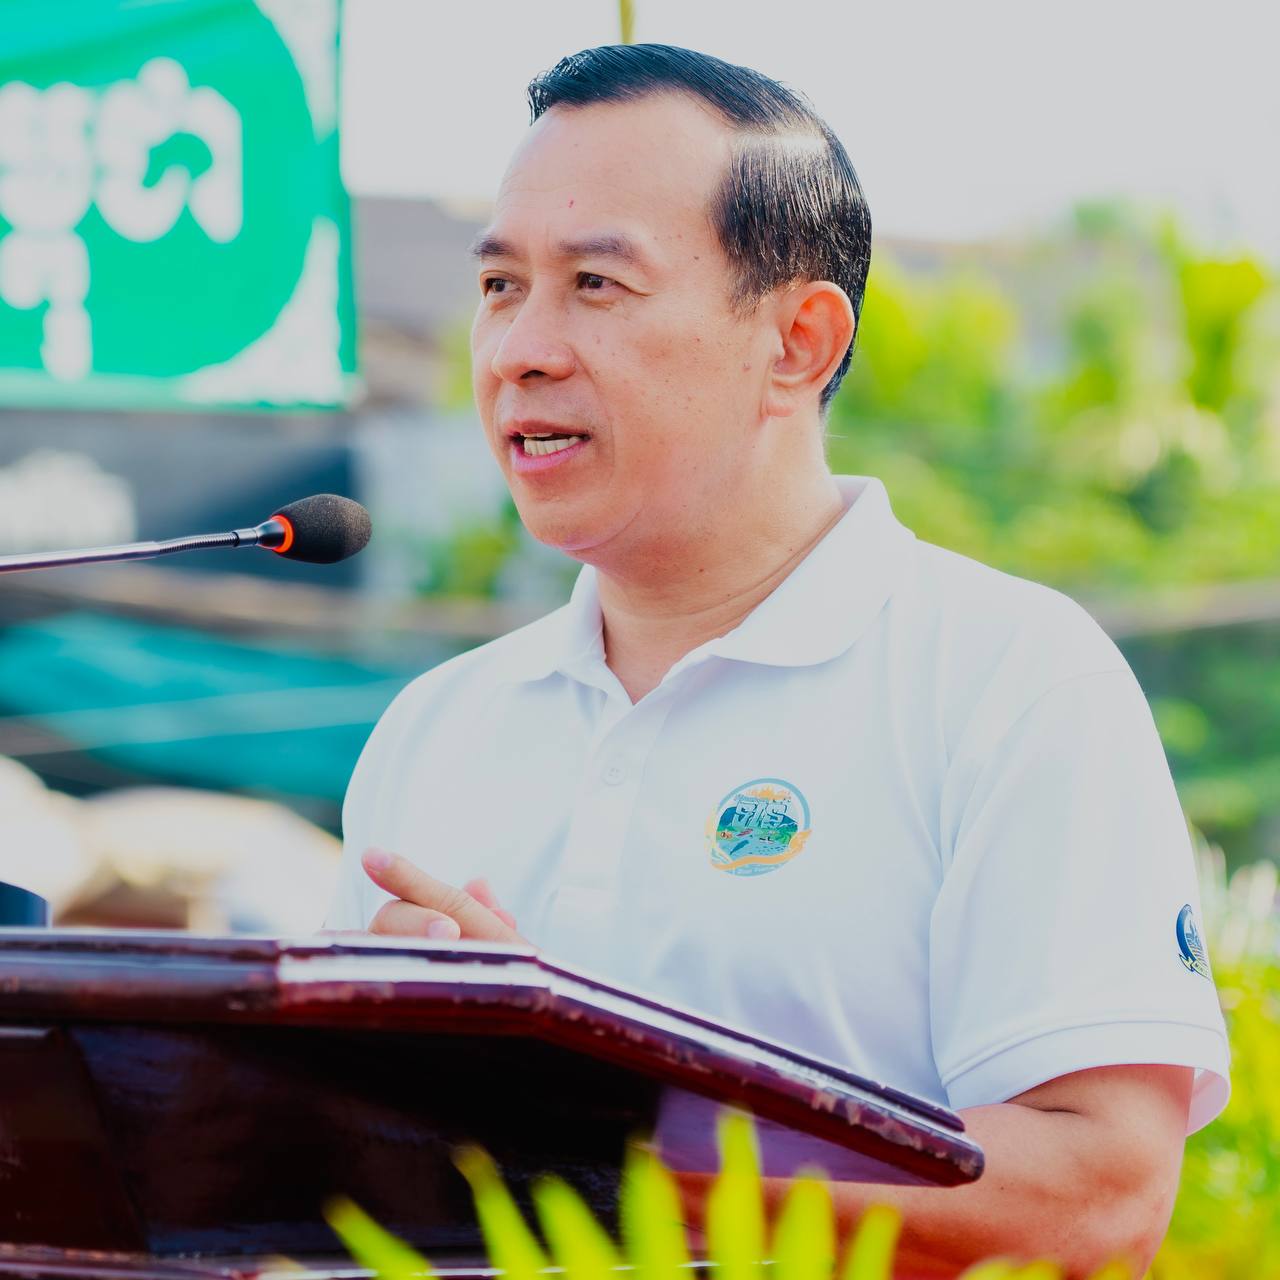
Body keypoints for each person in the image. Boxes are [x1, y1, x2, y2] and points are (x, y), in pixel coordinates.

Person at [323, 44, 1230, 1277]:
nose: (518, 348)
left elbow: (1094, 1199)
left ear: (797, 340)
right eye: (498, 284)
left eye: (595, 284)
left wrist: (593, 1137)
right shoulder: (436, 727)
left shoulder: (1007, 682)